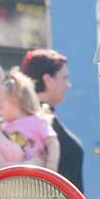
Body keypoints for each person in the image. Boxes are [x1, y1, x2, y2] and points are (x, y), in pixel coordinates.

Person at [20, 49, 84, 191]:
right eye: (64, 78)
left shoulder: (41, 120)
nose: (68, 85)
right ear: (47, 79)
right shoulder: (33, 124)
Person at [0, 70, 58, 169]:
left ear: (13, 102)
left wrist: (51, 164)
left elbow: (52, 141)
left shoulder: (37, 121)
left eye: (1, 104)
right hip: (13, 174)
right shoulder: (3, 127)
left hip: (35, 173)